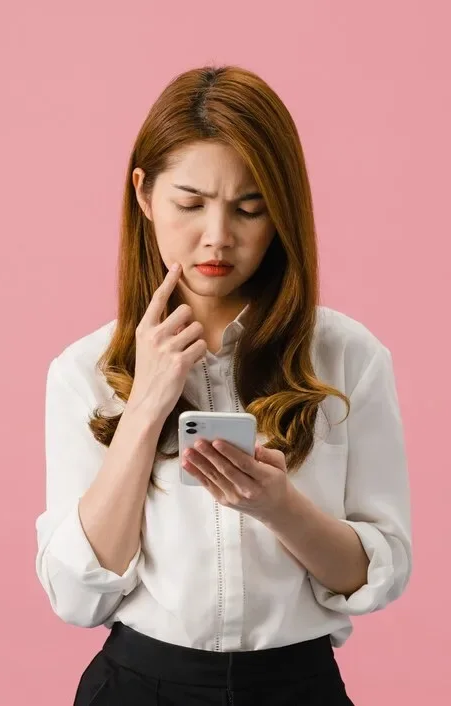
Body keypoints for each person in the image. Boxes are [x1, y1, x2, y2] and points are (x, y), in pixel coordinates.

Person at [34, 65, 413, 706]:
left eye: (249, 208)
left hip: (297, 688)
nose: (218, 236)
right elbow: (76, 596)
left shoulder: (349, 357)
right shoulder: (84, 370)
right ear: (144, 195)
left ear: (283, 212)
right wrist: (146, 405)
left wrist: (279, 507)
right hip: (138, 688)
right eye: (189, 203)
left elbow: (374, 577)